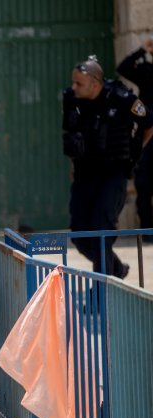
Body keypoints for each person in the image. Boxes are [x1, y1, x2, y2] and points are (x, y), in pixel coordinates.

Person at [63, 56, 153, 277]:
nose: (73, 87)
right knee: (80, 236)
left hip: (114, 174)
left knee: (100, 232)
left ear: (95, 83)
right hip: (85, 175)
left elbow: (149, 123)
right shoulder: (72, 100)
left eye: (79, 83)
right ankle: (117, 269)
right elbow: (71, 137)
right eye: (73, 82)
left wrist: (135, 155)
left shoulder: (121, 99)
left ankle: (100, 296)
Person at [117, 37, 153, 238]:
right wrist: (142, 50)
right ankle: (148, 231)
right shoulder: (146, 71)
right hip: (148, 133)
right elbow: (123, 67)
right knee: (144, 182)